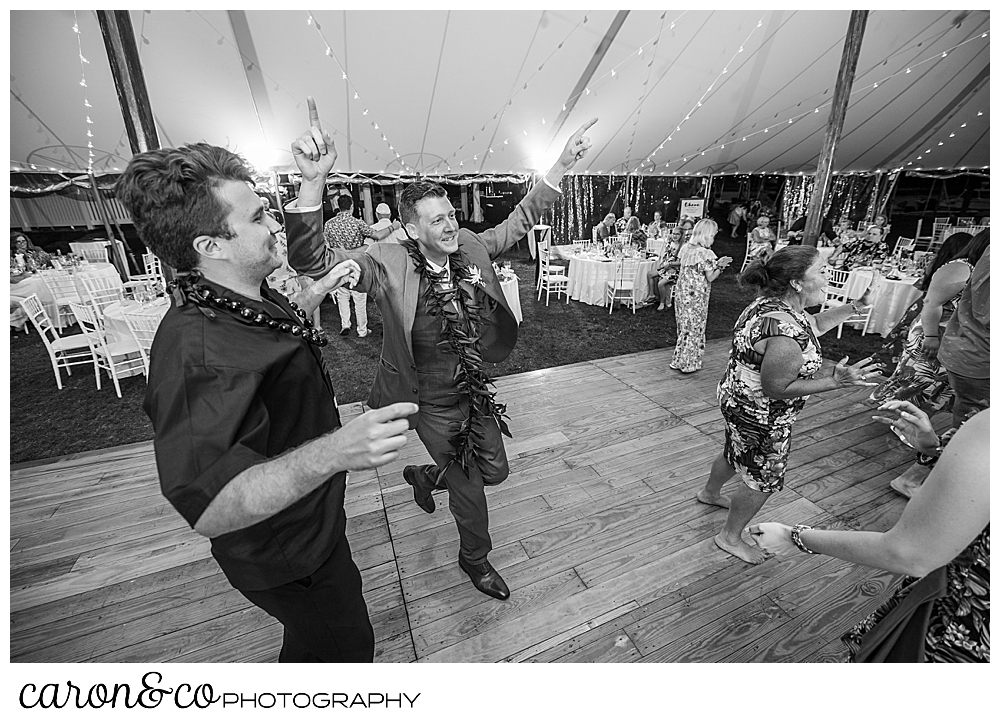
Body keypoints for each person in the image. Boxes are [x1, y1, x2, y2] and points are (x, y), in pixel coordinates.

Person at [113, 141, 417, 663]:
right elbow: (209, 504)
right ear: (211, 244)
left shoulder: (237, 292)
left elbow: (267, 335)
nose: (274, 224)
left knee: (311, 645)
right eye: (258, 218)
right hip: (287, 553)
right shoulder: (199, 354)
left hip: (312, 520)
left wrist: (314, 287)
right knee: (344, 652)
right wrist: (337, 451)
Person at [286, 97, 598, 601]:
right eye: (437, 221)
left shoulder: (470, 246)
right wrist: (312, 183)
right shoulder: (386, 260)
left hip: (473, 391)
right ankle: (474, 559)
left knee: (496, 471)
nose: (450, 226)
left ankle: (426, 475)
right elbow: (313, 258)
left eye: (451, 215)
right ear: (412, 229)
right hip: (428, 400)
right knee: (472, 489)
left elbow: (517, 221)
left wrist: (561, 166)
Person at [750, 406, 988, 663]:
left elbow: (908, 553)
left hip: (961, 627)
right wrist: (937, 451)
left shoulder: (988, 428)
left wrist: (794, 536)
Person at [696, 246, 880, 563]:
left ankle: (709, 493)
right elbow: (777, 387)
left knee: (734, 449)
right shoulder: (785, 335)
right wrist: (835, 381)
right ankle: (729, 537)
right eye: (822, 270)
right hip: (763, 415)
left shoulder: (772, 305)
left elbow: (811, 325)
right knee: (763, 480)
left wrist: (854, 307)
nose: (827, 277)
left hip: (737, 400)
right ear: (796, 282)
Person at [323, 194, 400, 337]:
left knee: (342, 296)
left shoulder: (329, 224)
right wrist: (393, 227)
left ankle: (345, 324)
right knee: (359, 298)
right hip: (356, 264)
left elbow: (326, 246)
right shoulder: (357, 223)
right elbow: (376, 236)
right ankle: (362, 330)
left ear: (337, 206)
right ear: (351, 206)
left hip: (338, 264)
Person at [938, 233, 989, 429]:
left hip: (967, 347)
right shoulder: (960, 267)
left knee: (967, 411)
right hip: (977, 354)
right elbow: (931, 302)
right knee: (974, 420)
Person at [669, 219, 732, 373]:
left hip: (682, 292)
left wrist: (716, 265)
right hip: (697, 295)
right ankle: (689, 363)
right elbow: (710, 277)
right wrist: (721, 267)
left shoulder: (686, 248)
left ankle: (679, 360)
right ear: (707, 235)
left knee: (684, 326)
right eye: (713, 235)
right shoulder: (706, 253)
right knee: (695, 327)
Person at [644, 225, 684, 310]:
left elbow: (681, 262)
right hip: (665, 268)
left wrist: (670, 264)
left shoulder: (682, 247)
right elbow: (665, 256)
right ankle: (651, 294)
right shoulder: (670, 243)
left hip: (674, 270)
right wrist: (662, 264)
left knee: (660, 283)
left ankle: (662, 302)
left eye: (677, 234)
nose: (675, 236)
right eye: (673, 234)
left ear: (681, 235)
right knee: (650, 274)